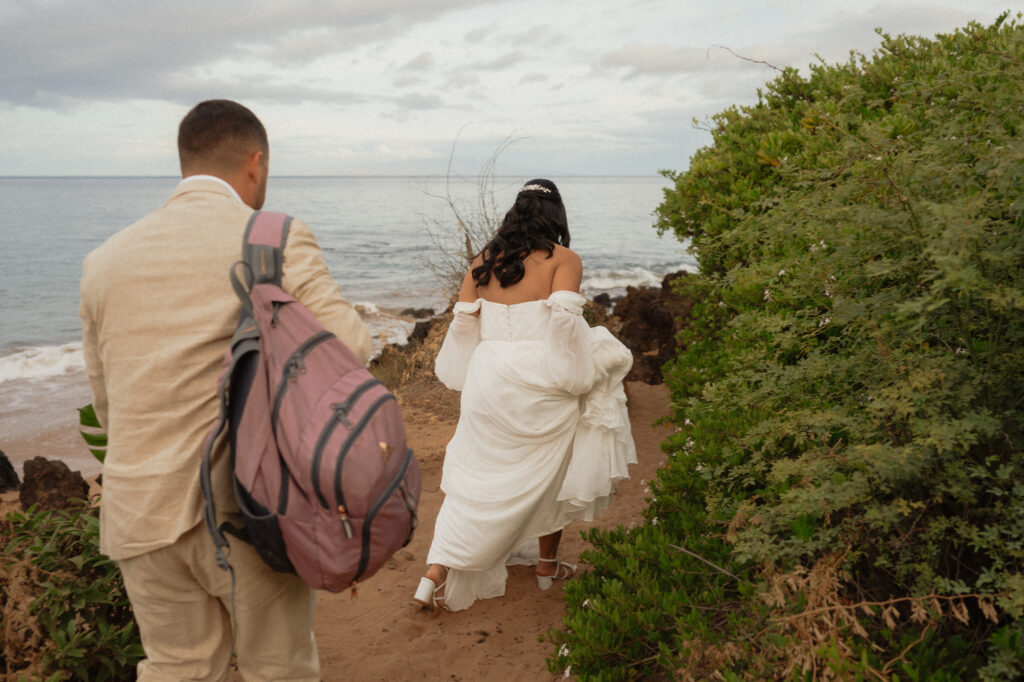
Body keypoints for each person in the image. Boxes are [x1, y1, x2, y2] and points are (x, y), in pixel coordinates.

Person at [79, 99, 371, 680]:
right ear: (255, 163)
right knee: (278, 669)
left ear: (185, 162)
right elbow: (350, 349)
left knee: (175, 669)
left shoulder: (104, 260)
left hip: (138, 514)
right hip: (246, 507)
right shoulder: (273, 237)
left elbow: (107, 403)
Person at [415, 179, 636, 613]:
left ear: (515, 213)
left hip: (487, 376)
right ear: (556, 216)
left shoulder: (481, 261)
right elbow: (563, 327)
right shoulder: (565, 259)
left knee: (476, 477)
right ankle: (545, 567)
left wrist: (469, 376)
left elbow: (463, 329)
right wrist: (580, 376)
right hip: (541, 376)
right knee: (553, 470)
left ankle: (434, 573)